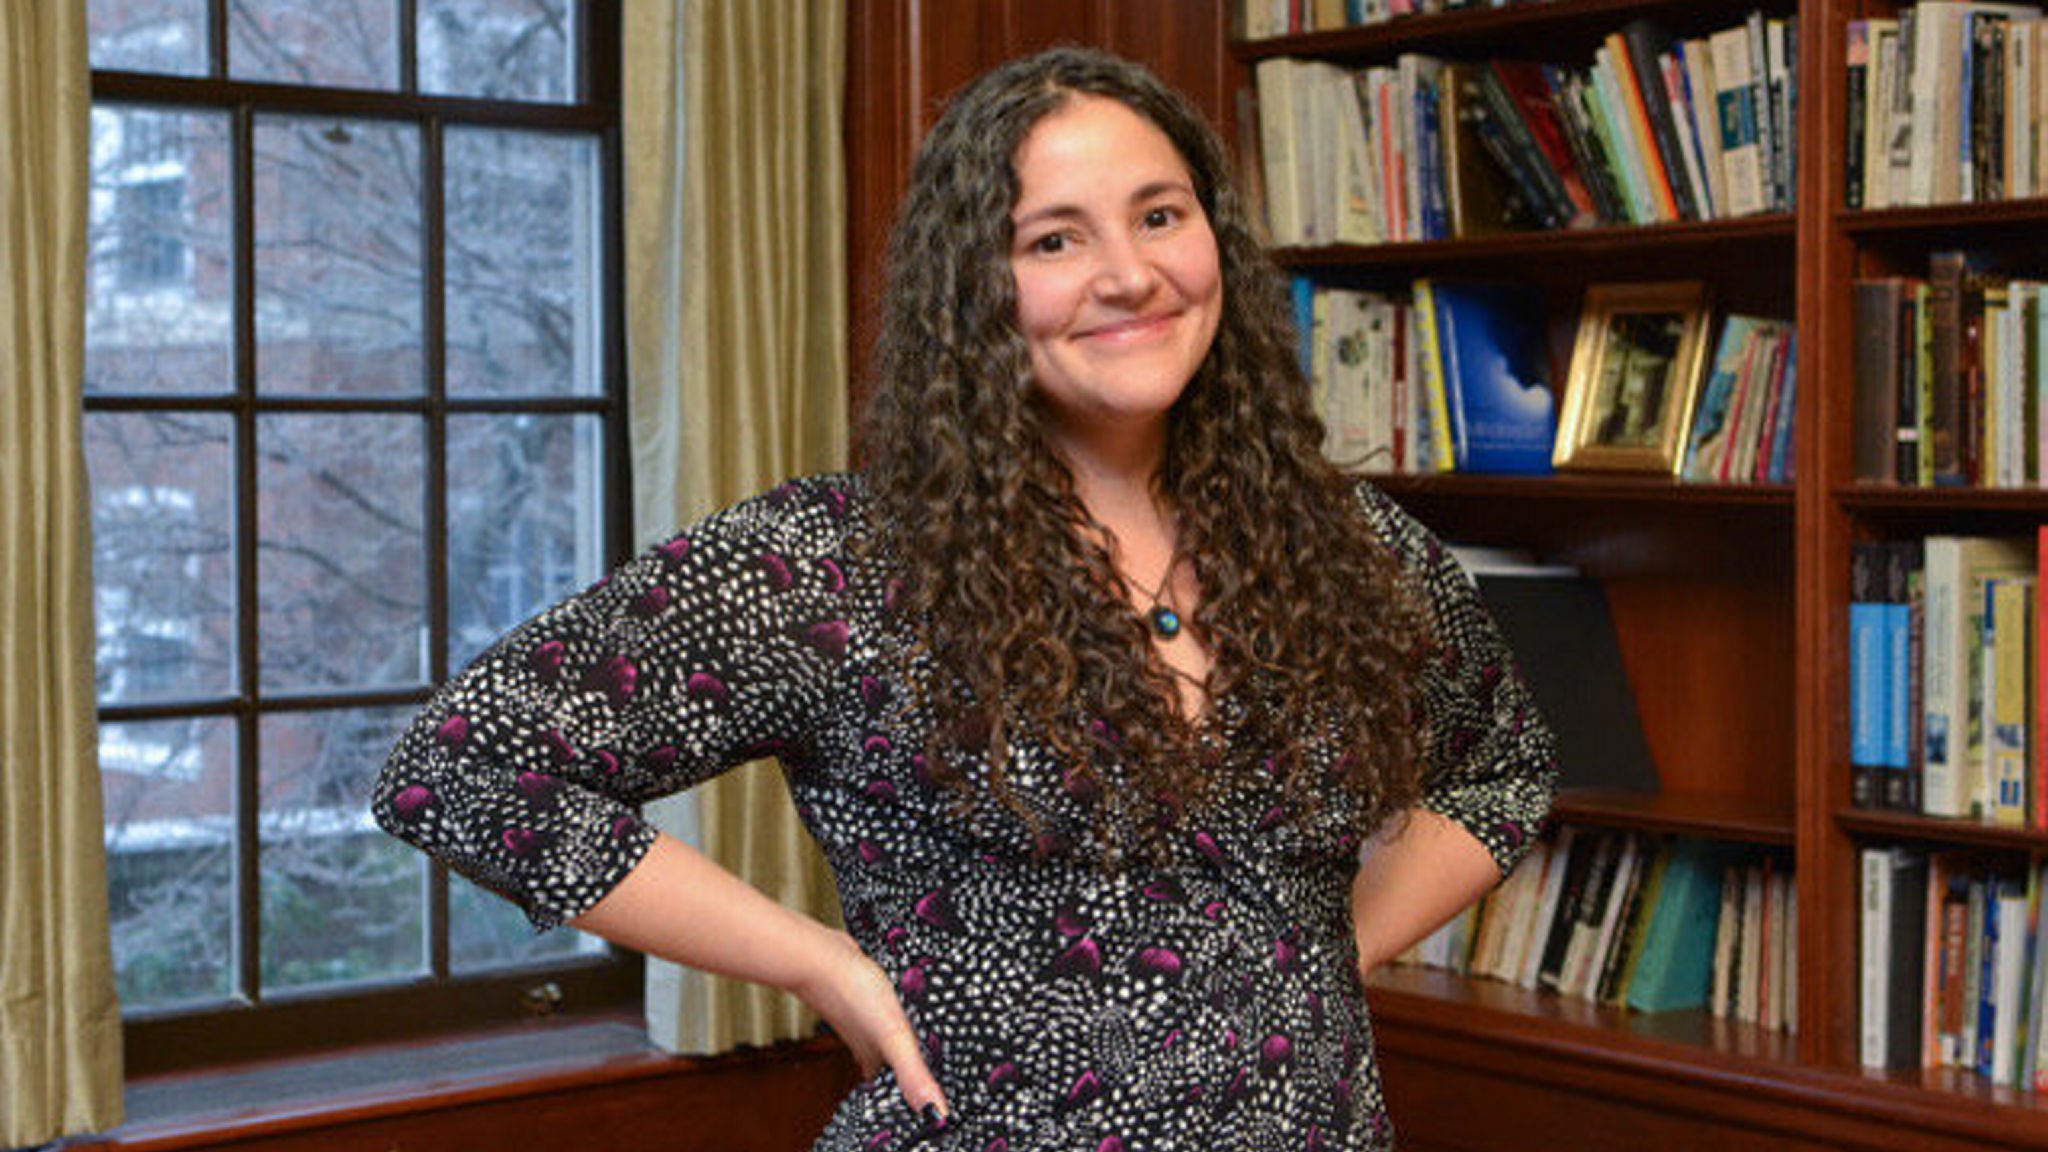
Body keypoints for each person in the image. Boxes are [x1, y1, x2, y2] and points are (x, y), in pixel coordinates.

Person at [373, 46, 1556, 1151]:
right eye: (1052, 240)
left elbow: (1499, 768)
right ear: (972, 288)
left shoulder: (1349, 546)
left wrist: (1319, 958)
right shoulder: (835, 563)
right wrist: (819, 964)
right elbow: (466, 769)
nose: (1129, 275)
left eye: (1159, 215)